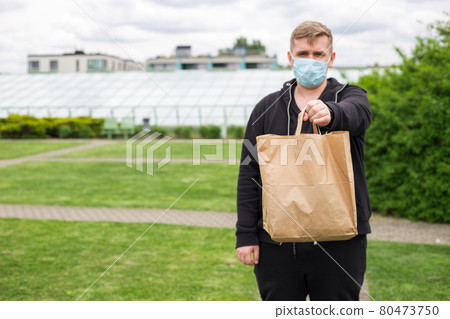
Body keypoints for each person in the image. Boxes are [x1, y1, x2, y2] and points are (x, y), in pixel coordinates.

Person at [235, 21, 372, 301]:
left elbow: (357, 114)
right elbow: (250, 174)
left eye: (319, 54)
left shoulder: (351, 96)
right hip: (277, 244)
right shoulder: (266, 108)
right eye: (303, 54)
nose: (311, 60)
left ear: (331, 59)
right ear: (290, 58)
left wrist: (332, 113)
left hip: (340, 242)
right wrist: (246, 234)